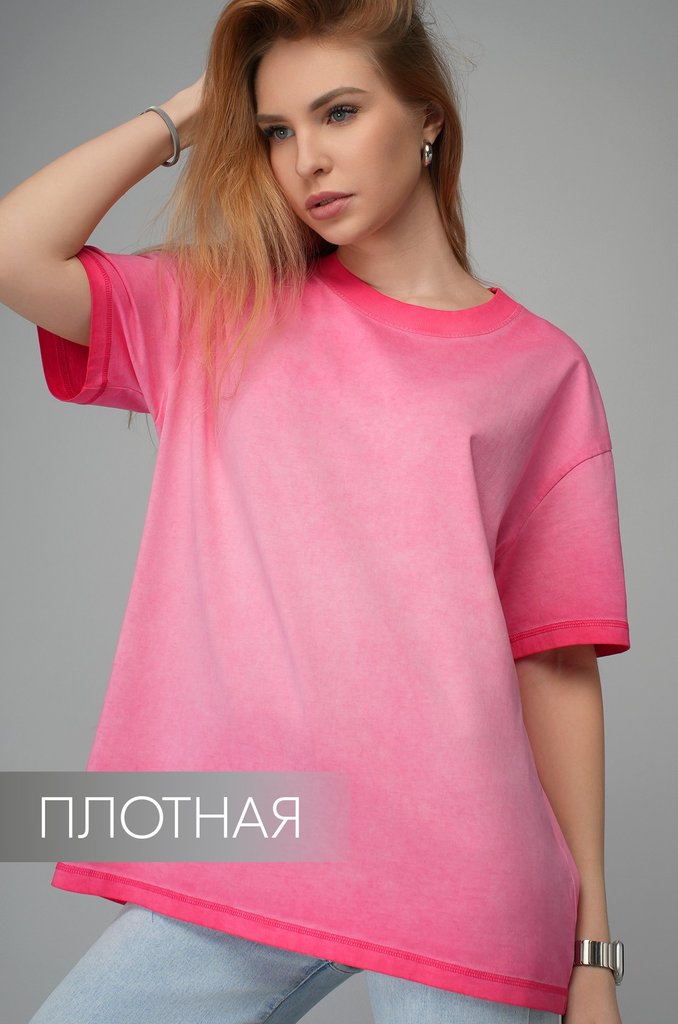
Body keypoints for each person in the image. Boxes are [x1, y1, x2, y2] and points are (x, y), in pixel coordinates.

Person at [0, 1, 630, 1022]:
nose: (307, 161)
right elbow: (15, 250)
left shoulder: (540, 371)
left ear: (427, 118)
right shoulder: (223, 309)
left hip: (463, 873)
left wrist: (593, 953)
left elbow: (555, 664)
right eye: (275, 130)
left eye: (338, 112)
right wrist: (192, 109)